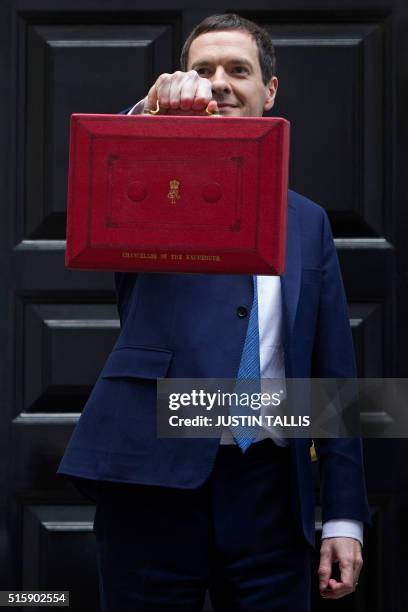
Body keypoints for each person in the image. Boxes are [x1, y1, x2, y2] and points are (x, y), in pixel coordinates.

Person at [58, 13, 371, 612]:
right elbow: (104, 184)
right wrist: (147, 116)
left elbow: (333, 376)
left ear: (269, 91)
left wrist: (345, 518)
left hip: (272, 496)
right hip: (152, 483)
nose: (220, 82)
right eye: (203, 70)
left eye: (238, 70)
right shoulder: (152, 188)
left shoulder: (308, 221)